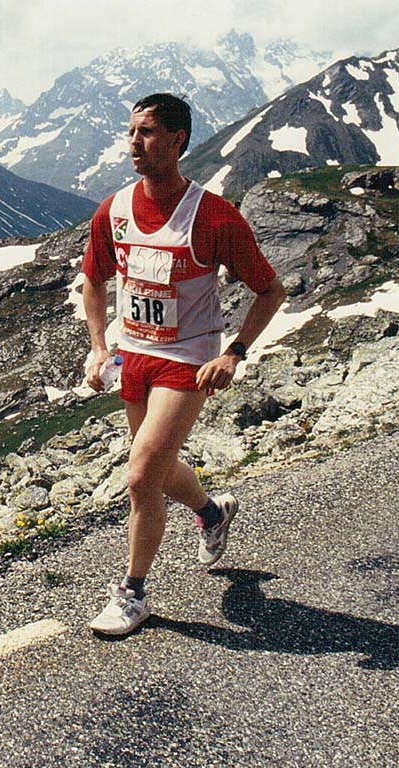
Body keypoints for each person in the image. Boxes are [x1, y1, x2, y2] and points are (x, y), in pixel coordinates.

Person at [81, 93, 286, 636]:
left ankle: (132, 593)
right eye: (131, 132)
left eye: (147, 133)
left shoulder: (214, 216)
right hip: (134, 353)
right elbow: (93, 280)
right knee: (160, 467)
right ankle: (213, 513)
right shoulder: (115, 209)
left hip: (188, 358)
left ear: (177, 141)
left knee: (142, 473)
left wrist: (234, 352)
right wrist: (100, 346)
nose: (134, 144)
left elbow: (270, 290)